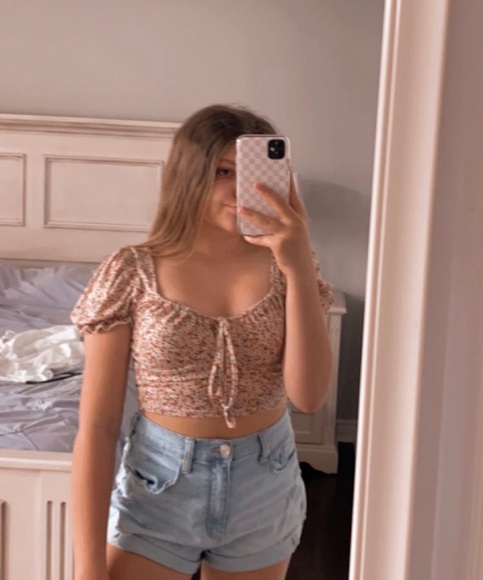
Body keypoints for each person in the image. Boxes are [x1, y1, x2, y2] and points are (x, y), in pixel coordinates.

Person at [69, 104, 334, 580]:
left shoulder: (289, 267)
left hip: (264, 484)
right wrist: (88, 568)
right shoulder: (131, 271)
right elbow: (98, 428)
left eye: (253, 171)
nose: (241, 189)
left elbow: (309, 396)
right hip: (160, 487)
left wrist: (297, 263)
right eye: (223, 171)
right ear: (189, 175)